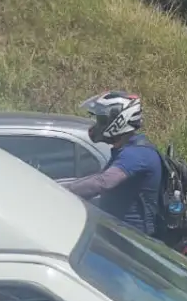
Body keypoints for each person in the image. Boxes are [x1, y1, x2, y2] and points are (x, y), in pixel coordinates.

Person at [63, 91, 163, 237]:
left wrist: (60, 192)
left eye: (102, 121)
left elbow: (102, 182)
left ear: (119, 121)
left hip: (133, 240)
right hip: (118, 232)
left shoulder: (136, 154)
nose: (96, 126)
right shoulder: (128, 149)